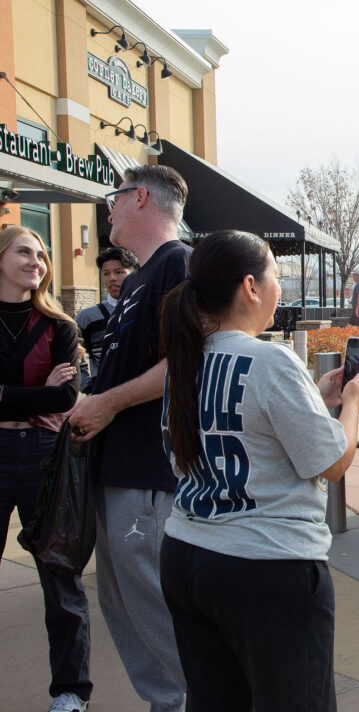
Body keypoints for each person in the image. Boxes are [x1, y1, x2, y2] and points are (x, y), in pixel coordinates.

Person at [157, 230, 359, 711]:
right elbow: (332, 463)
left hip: (187, 553)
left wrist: (313, 400)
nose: (280, 286)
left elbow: (226, 437)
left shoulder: (186, 360)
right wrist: (351, 406)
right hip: (267, 567)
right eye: (275, 273)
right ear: (251, 287)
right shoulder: (270, 359)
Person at [68, 165, 191, 711]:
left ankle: (192, 699)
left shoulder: (180, 264)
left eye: (113, 198)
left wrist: (106, 403)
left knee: (152, 605)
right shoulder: (141, 278)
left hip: (148, 474)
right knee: (123, 605)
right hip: (114, 468)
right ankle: (168, 701)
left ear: (139, 197)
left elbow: (186, 364)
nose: (108, 209)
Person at [0, 226, 91, 712]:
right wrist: (41, 393)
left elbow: (66, 397)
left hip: (43, 453)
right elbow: (50, 393)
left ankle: (71, 692)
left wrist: (8, 394)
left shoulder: (61, 327)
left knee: (61, 577)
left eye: (41, 255)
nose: (36, 261)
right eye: (23, 251)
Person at [75, 246, 138, 394]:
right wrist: (87, 386)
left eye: (119, 272)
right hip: (102, 393)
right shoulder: (88, 316)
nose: (112, 278)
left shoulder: (145, 310)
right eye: (106, 273)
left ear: (135, 273)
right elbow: (75, 354)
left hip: (140, 394)